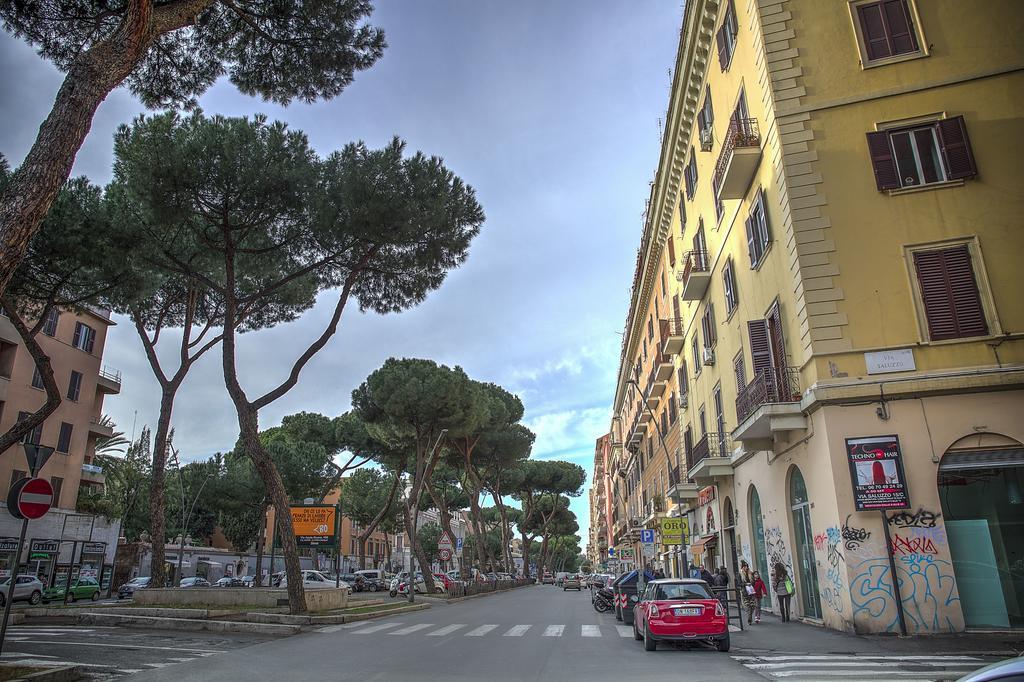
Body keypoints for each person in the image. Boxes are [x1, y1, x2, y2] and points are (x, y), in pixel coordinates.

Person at [738, 560, 757, 625]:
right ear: (742, 567)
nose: (746, 568)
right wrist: (746, 584)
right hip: (744, 592)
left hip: (751, 592)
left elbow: (754, 582)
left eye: (746, 566)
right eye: (744, 566)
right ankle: (749, 619)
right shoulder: (740, 574)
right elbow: (739, 583)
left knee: (753, 606)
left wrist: (751, 583)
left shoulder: (750, 573)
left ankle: (750, 616)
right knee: (748, 606)